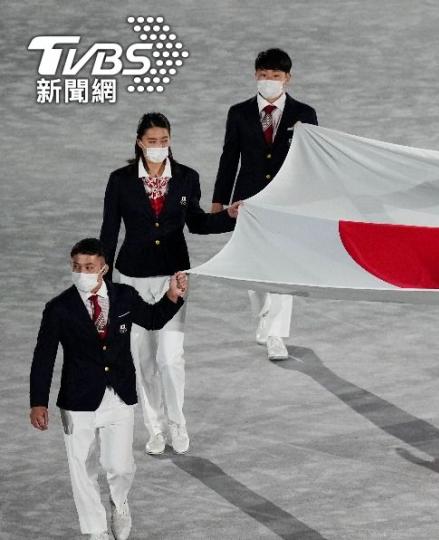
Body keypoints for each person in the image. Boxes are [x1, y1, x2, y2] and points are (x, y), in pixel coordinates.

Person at [30, 238, 188, 540]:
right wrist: (38, 402)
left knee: (121, 466)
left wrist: (172, 297)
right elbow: (43, 357)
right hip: (77, 401)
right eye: (76, 267)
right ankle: (97, 530)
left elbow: (153, 319)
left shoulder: (125, 296)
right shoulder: (58, 309)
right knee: (82, 469)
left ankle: (119, 501)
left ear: (103, 268)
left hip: (119, 396)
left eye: (88, 267)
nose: (81, 272)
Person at [100, 112, 238, 455]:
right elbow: (109, 230)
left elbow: (198, 224)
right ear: (139, 142)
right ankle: (156, 428)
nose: (159, 147)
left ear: (170, 141)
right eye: (152, 141)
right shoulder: (120, 180)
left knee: (170, 357)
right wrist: (100, 280)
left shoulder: (187, 178)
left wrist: (231, 217)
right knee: (142, 360)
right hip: (130, 279)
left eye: (164, 141)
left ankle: (178, 423)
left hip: (173, 277)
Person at [211, 48, 318, 361]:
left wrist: (312, 203)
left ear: (288, 78)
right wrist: (219, 203)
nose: (269, 81)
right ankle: (264, 320)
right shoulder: (239, 113)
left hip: (288, 202)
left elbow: (312, 161)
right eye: (263, 75)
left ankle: (275, 334)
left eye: (275, 75)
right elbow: (229, 158)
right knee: (253, 265)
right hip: (248, 200)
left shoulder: (304, 114)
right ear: (255, 76)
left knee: (281, 267)